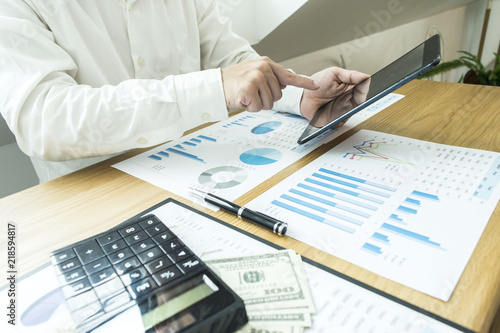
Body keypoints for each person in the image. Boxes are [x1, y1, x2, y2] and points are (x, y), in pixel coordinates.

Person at [0, 0, 369, 183]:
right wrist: (211, 87)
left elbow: (234, 59)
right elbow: (46, 121)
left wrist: (300, 95)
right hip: (97, 200)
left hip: (198, 176)